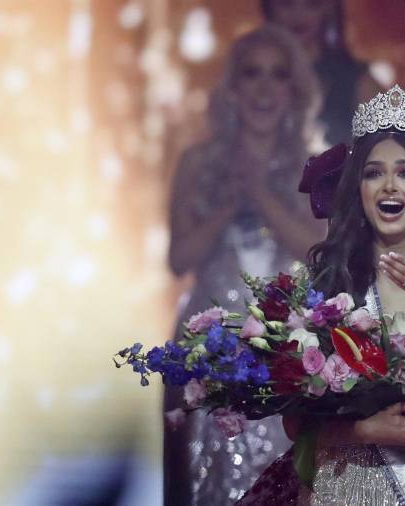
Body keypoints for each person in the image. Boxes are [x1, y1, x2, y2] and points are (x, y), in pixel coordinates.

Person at [241, 86, 405, 505]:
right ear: (358, 190)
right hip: (336, 489)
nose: (389, 187)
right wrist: (366, 430)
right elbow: (294, 425)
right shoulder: (323, 286)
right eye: (373, 173)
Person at [163, 26, 322, 505]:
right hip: (207, 348)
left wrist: (261, 194)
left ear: (293, 90)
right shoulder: (198, 163)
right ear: (233, 87)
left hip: (285, 350)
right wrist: (229, 203)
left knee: (281, 485)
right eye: (252, 74)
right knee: (207, 485)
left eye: (278, 75)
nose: (264, 88)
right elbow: (179, 258)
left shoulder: (312, 166)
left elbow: (318, 252)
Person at [259, 0, 381, 146]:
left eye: (312, 4)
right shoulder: (251, 76)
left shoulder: (356, 80)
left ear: (328, 9)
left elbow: (390, 146)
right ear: (270, 7)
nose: (298, 15)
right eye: (287, 3)